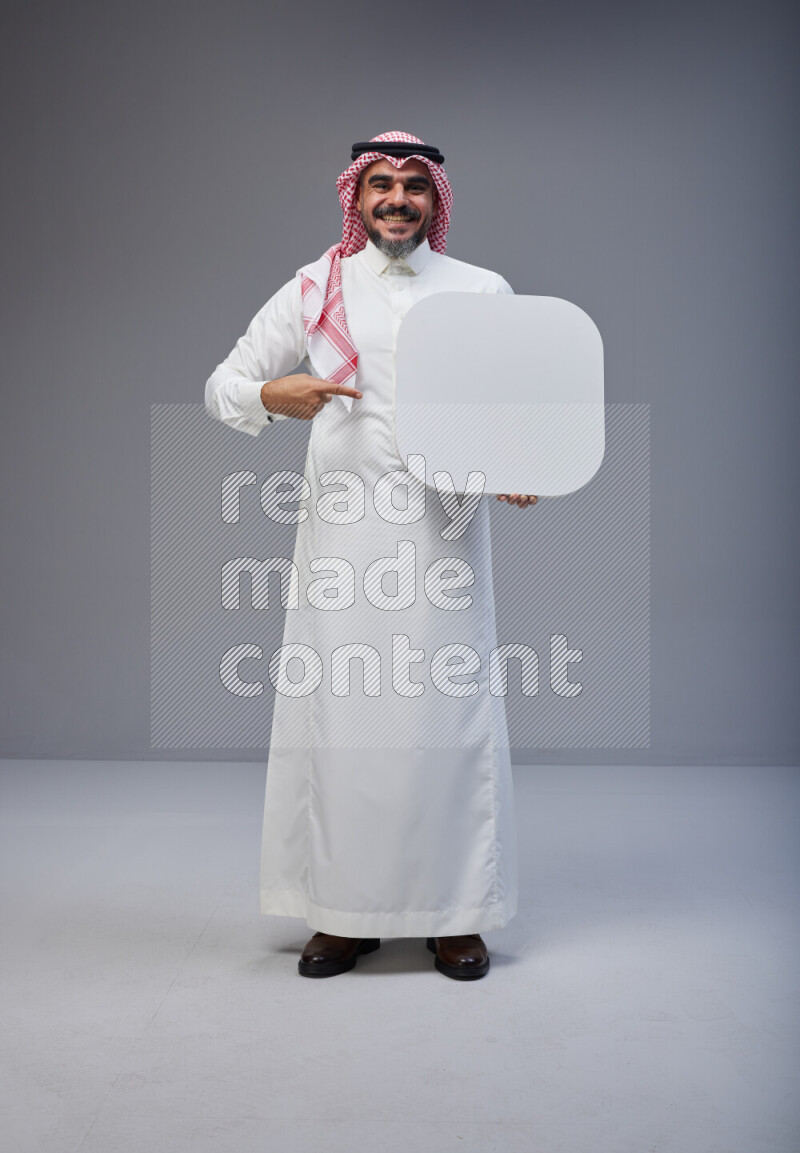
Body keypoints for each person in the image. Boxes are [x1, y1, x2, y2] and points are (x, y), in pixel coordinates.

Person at [205, 131, 538, 981]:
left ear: (437, 200)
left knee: (445, 717)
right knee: (345, 716)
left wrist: (519, 464)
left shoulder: (482, 290)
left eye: (413, 185)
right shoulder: (317, 286)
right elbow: (226, 385)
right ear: (355, 199)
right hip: (345, 535)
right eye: (380, 184)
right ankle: (343, 915)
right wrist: (271, 398)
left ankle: (456, 913)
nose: (397, 199)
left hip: (445, 532)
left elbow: (513, 407)